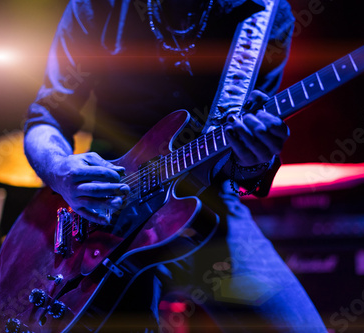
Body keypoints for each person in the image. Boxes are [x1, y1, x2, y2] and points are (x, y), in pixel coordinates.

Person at [24, 0, 327, 331]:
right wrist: (59, 170)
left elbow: (244, 161)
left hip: (208, 206)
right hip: (106, 205)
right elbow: (47, 115)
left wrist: (253, 162)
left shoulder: (264, 11)